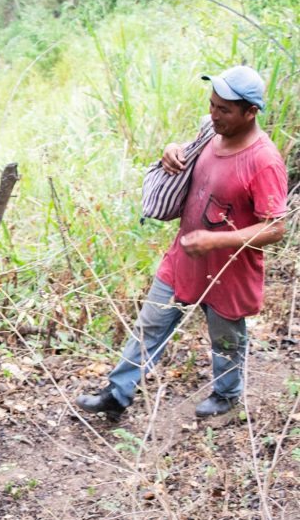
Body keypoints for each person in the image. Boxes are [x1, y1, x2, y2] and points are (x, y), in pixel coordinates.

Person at [78, 65, 288, 420]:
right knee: (151, 322)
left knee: (226, 340)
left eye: (224, 110)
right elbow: (186, 157)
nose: (214, 114)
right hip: (185, 257)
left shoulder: (264, 161)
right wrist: (171, 151)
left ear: (250, 112)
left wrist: (216, 240)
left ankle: (226, 397)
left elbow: (276, 228)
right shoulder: (210, 132)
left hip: (228, 269)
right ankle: (117, 393)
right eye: (212, 105)